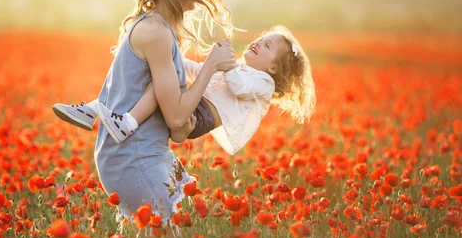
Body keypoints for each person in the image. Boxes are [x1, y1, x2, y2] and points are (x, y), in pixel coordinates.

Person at [54, 0, 237, 227]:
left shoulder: (160, 30)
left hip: (141, 153)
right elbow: (176, 117)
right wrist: (212, 65)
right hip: (134, 157)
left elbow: (176, 129)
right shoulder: (155, 33)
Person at [54, 25, 316, 156]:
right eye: (261, 39)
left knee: (160, 83)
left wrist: (225, 65)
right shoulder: (238, 67)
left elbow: (239, 88)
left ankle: (126, 122)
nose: (258, 42)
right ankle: (91, 110)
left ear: (273, 68)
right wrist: (172, 55)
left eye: (267, 46)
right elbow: (199, 70)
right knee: (156, 78)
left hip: (198, 116)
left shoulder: (263, 84)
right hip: (194, 106)